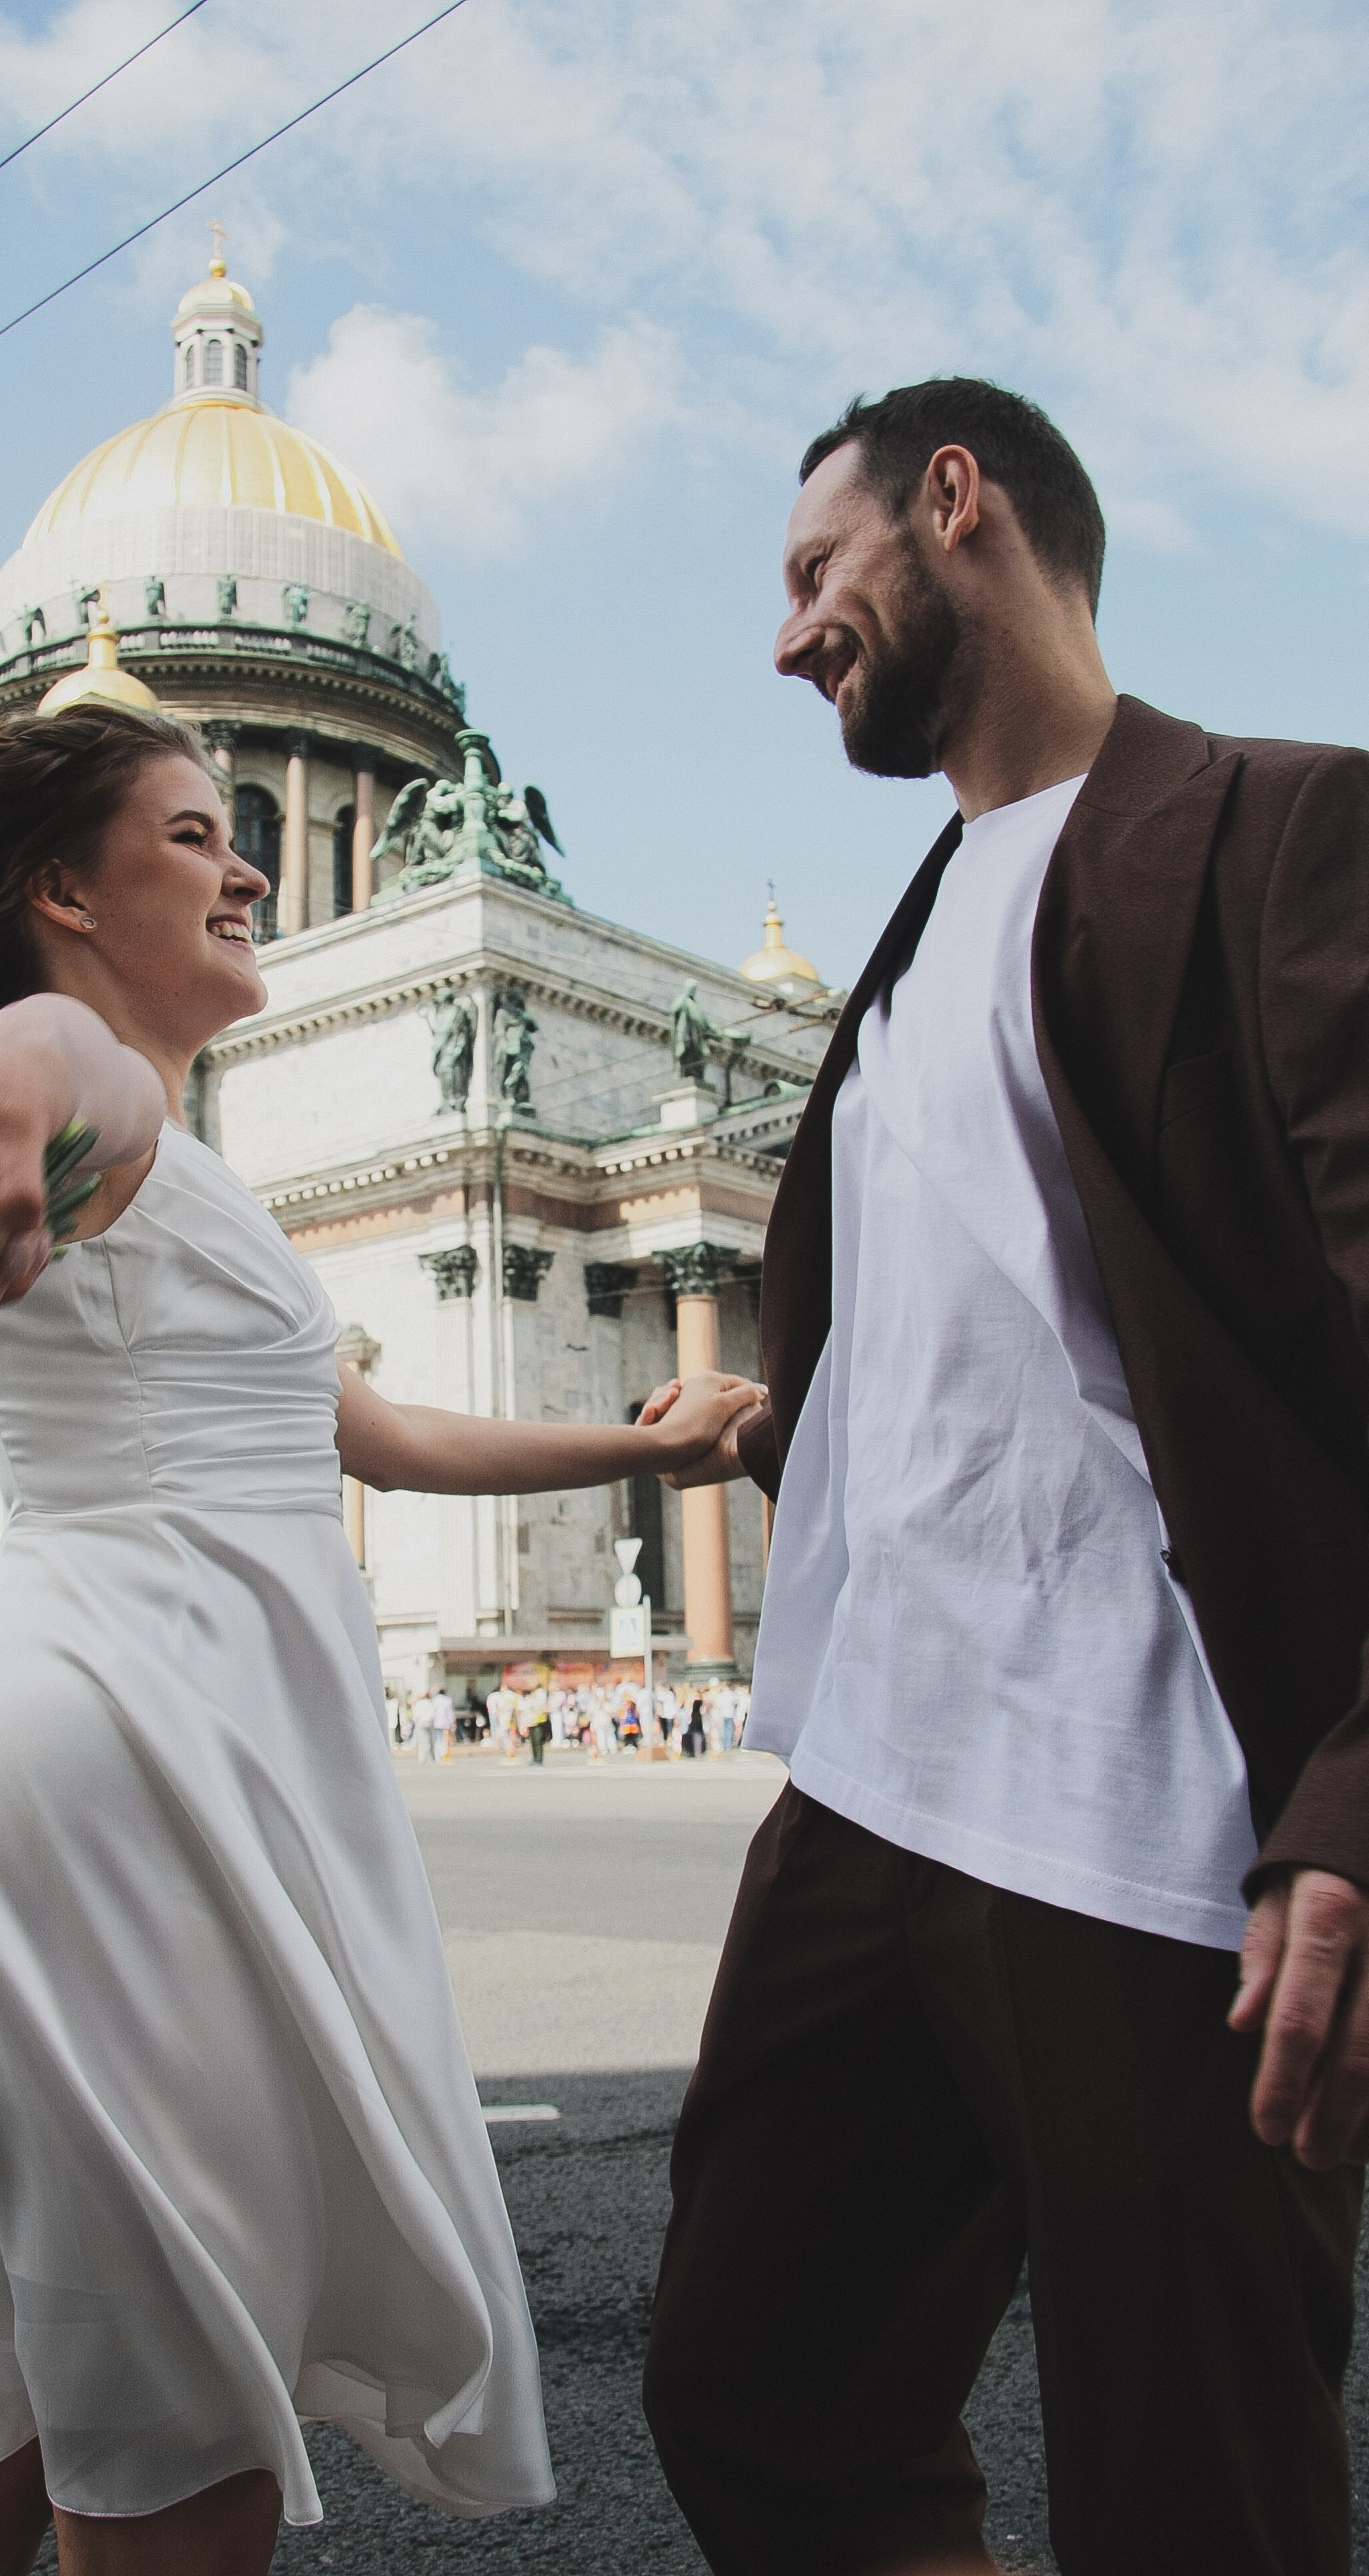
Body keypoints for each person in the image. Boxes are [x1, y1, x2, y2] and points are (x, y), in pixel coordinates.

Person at [0, 702, 761, 2576]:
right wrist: (10, 1049)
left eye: (240, 822)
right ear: (61, 893)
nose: (250, 861)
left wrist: (659, 1437)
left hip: (34, 1785)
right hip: (133, 1805)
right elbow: (49, 1051)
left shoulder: (188, 1166)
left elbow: (373, 1439)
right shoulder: (97, 1079)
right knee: (177, 2456)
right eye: (194, 832)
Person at [641, 380, 1369, 2576]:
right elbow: (990, 1337)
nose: (785, 642)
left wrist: (1351, 1802)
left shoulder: (1280, 837)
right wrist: (781, 1421)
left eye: (809, 574)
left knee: (1193, 2505)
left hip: (1149, 1835)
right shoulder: (912, 937)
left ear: (954, 504)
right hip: (868, 1797)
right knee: (753, 2392)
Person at [431, 1685, 456, 1762]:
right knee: (445, 1740)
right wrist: (453, 1722)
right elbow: (450, 1713)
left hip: (436, 1723)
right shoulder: (448, 1700)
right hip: (445, 1723)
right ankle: (445, 1754)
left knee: (437, 1739)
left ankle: (437, 1755)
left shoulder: (434, 1700)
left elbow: (432, 1711)